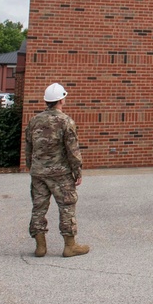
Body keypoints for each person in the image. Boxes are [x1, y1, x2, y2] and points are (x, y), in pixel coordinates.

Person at [25, 82, 89, 257]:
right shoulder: (66, 121)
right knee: (67, 206)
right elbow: (72, 150)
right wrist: (77, 172)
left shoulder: (34, 121)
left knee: (39, 207)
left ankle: (40, 247)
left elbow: (29, 146)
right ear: (61, 100)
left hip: (38, 172)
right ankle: (70, 246)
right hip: (60, 173)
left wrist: (32, 167)